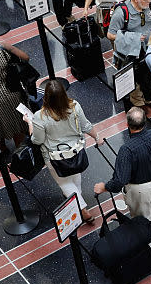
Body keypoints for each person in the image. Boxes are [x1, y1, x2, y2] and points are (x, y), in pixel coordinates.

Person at [93, 108, 151, 250]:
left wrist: (104, 187)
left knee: (142, 216)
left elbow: (120, 180)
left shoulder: (126, 150)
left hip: (140, 189)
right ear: (145, 122)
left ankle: (150, 244)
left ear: (128, 125)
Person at [25, 79, 105, 222]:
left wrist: (30, 124)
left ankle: (82, 209)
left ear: (46, 97)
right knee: (75, 175)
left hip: (55, 158)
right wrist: (98, 137)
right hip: (76, 151)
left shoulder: (40, 117)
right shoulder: (75, 107)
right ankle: (77, 195)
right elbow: (86, 126)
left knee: (64, 183)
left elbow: (37, 140)